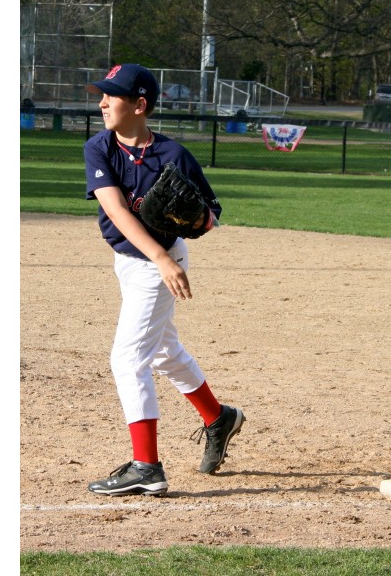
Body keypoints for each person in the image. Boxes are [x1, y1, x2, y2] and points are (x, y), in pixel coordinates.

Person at [83, 64, 245, 496]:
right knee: (161, 351)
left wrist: (197, 220)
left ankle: (147, 467)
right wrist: (157, 254)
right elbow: (116, 210)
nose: (101, 102)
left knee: (128, 358)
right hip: (136, 260)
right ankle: (218, 417)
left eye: (111, 96)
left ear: (139, 105)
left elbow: (211, 215)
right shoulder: (99, 148)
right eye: (101, 94)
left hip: (161, 267)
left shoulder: (174, 156)